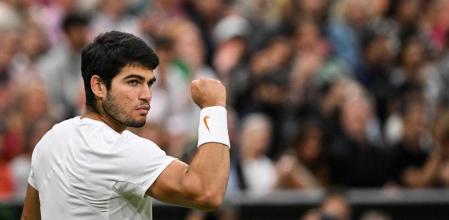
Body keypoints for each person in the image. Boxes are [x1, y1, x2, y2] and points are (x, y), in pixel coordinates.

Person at [21, 31, 231, 219]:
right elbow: (207, 192)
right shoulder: (120, 148)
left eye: (149, 83)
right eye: (133, 82)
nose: (147, 95)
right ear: (98, 86)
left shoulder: (49, 140)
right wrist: (213, 107)